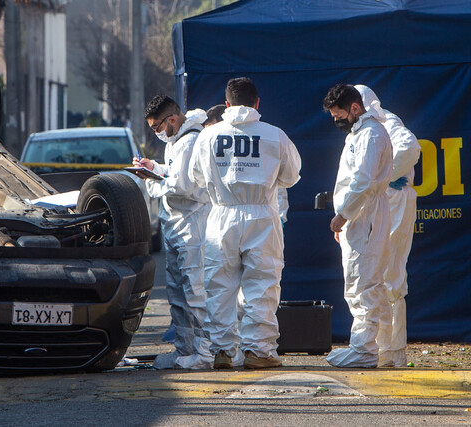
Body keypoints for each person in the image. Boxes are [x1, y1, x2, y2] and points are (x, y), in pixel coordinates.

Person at [189, 77, 301, 369]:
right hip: (261, 214)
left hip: (222, 214)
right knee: (262, 284)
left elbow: (195, 179)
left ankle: (223, 351)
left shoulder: (207, 137)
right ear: (257, 102)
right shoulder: (275, 135)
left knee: (219, 285)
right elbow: (290, 177)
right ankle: (258, 351)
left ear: (226, 104)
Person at [133, 95, 212, 369]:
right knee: (178, 292)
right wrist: (154, 168)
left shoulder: (190, 140)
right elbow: (176, 173)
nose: (156, 133)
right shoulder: (177, 141)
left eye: (157, 128)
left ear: (172, 120)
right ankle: (185, 350)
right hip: (177, 226)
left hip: (191, 226)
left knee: (195, 291)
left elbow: (184, 186)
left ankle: (203, 352)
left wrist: (152, 181)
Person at [323, 83, 394, 368]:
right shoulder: (362, 133)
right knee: (370, 283)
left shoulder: (370, 135)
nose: (336, 120)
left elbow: (363, 182)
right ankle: (383, 349)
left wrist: (343, 215)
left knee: (361, 283)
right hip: (362, 216)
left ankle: (364, 350)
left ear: (355, 108)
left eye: (338, 114)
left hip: (365, 215)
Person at [355, 84, 421, 368]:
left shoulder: (385, 121)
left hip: (393, 198)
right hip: (382, 199)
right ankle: (383, 348)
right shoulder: (364, 129)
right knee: (376, 272)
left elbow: (410, 147)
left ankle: (392, 352)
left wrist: (386, 175)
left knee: (390, 273)